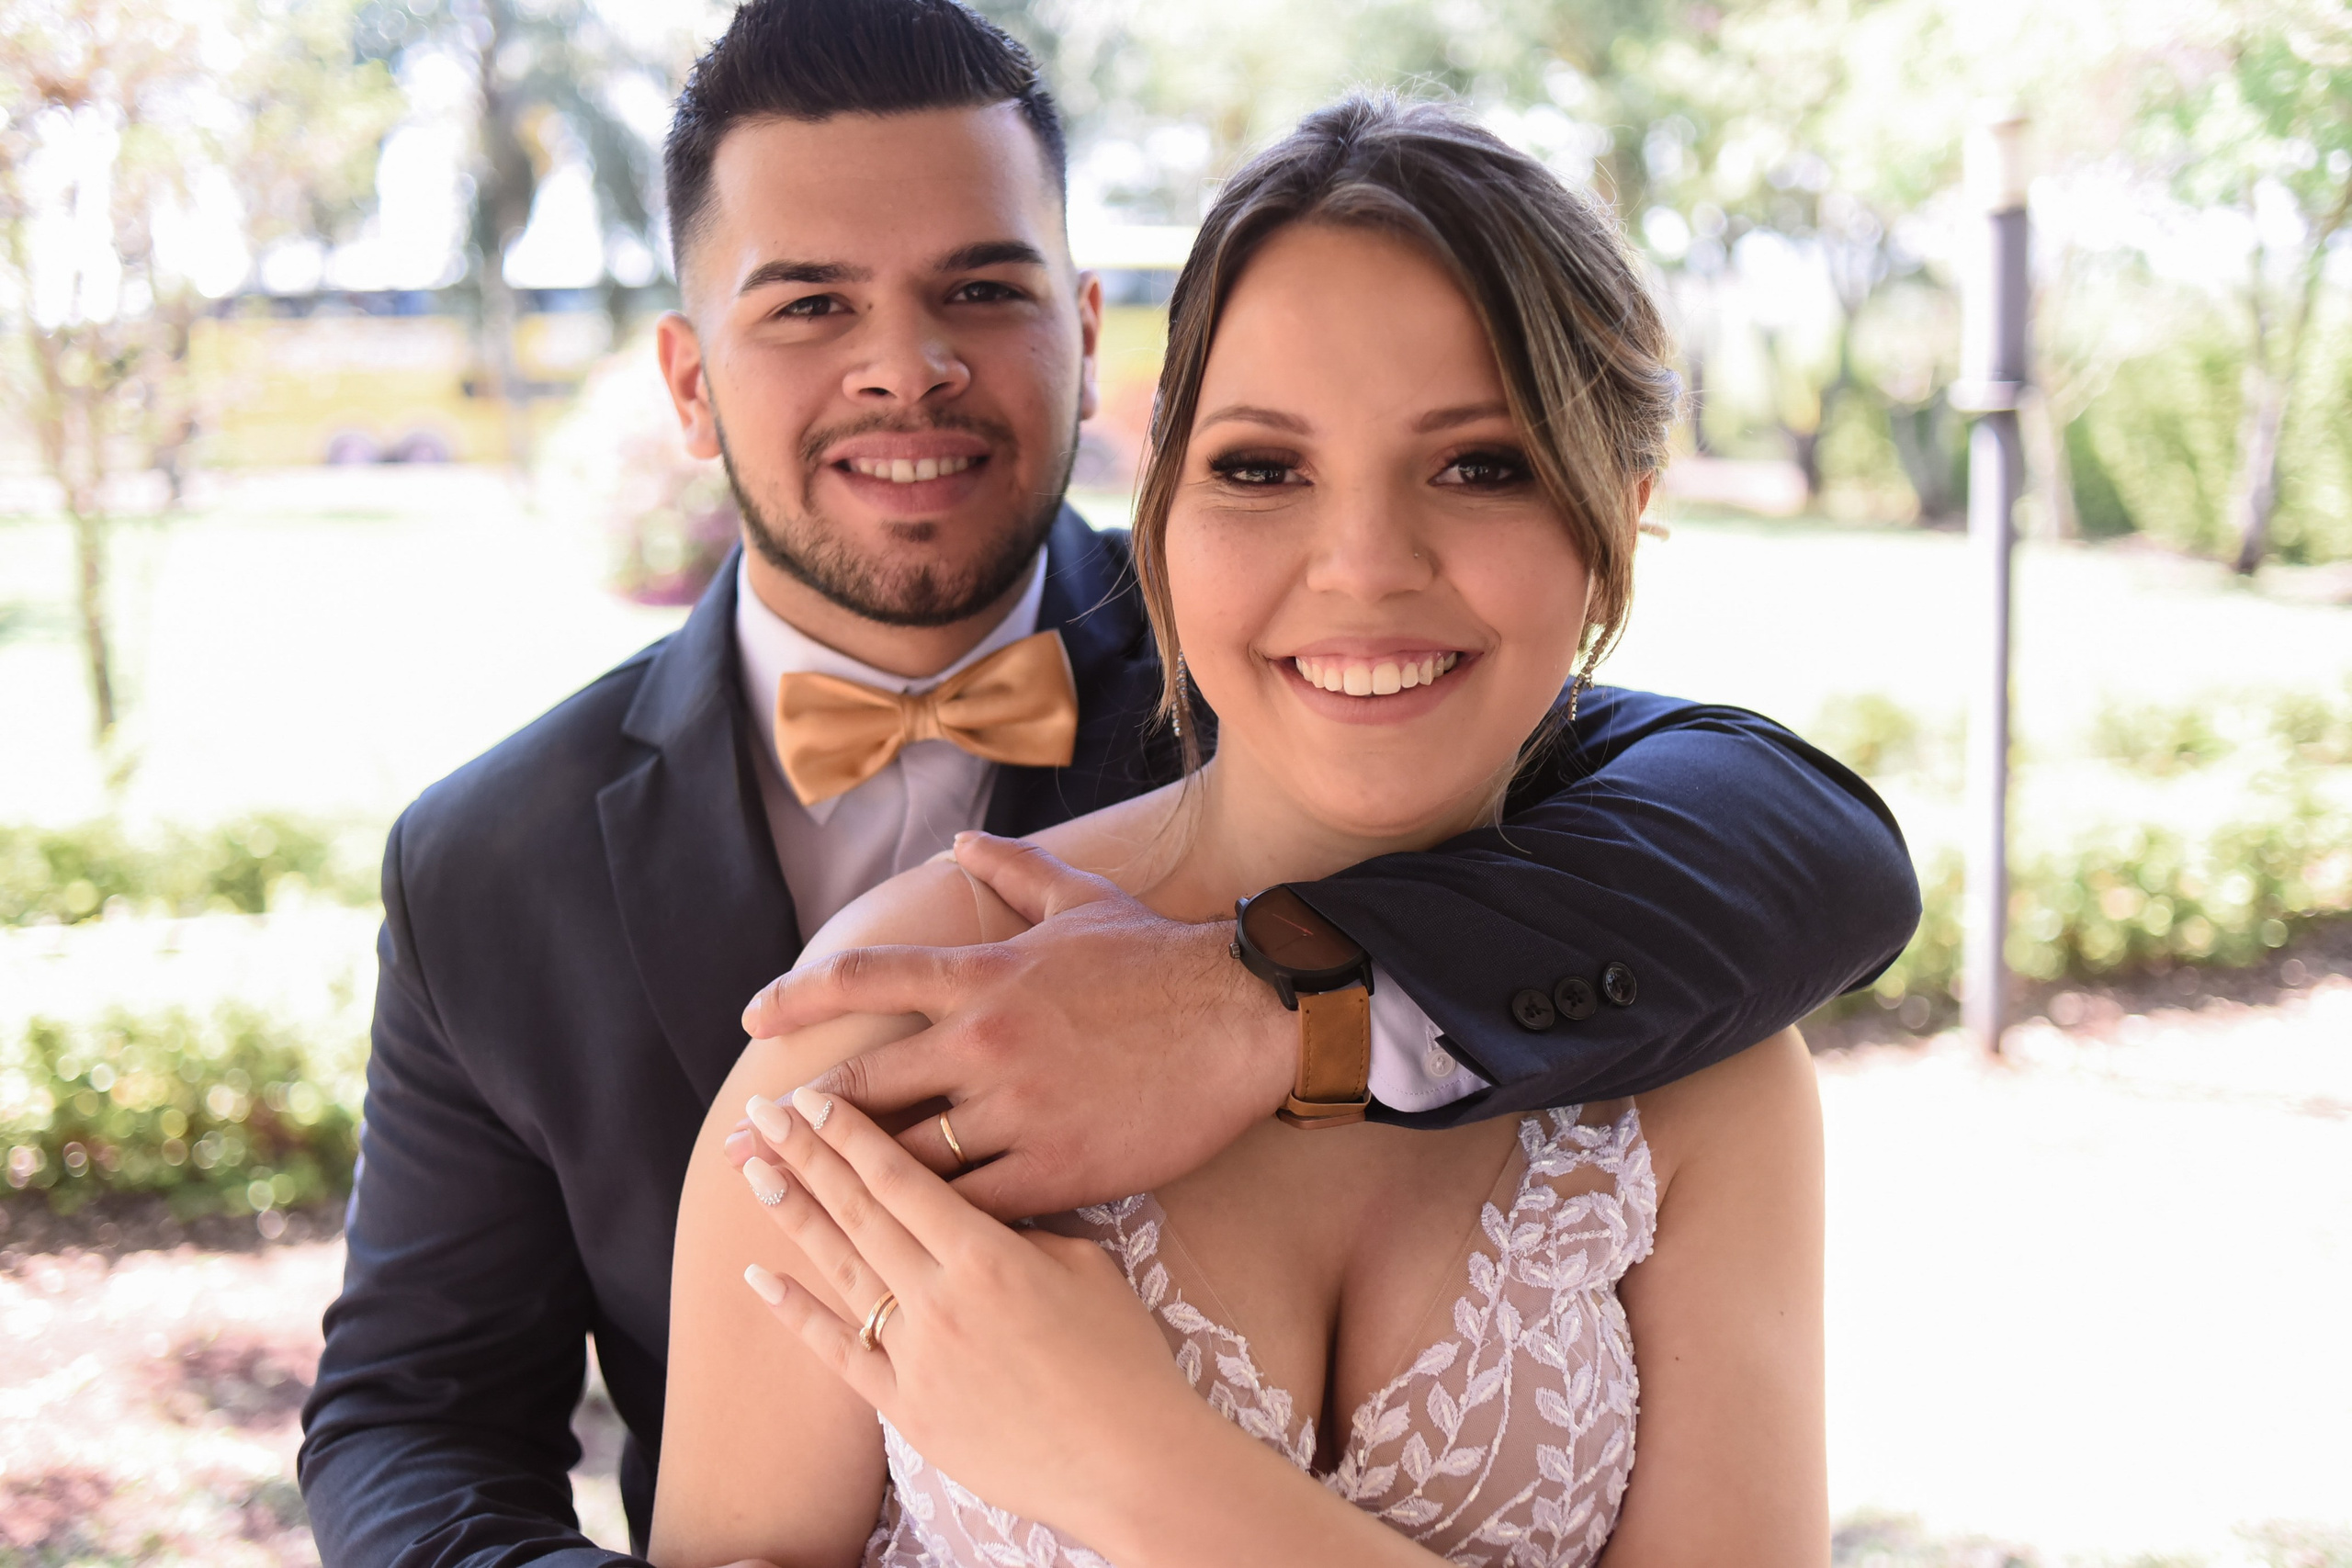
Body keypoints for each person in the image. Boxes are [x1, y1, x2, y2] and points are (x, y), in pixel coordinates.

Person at [298, 3, 1915, 1563]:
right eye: (808, 306)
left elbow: (1806, 836)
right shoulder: (490, 867)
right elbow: (406, 1423)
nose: (904, 370)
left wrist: (1262, 1015)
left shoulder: (1357, 698)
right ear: (689, 378)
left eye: (979, 290)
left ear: (1085, 339)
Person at [657, 94, 1830, 1568]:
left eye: (1480, 464)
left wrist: (1135, 1469)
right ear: (1159, 520)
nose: (1363, 567)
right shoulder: (872, 1044)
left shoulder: (1710, 1080)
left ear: (1618, 520)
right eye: (1263, 469)